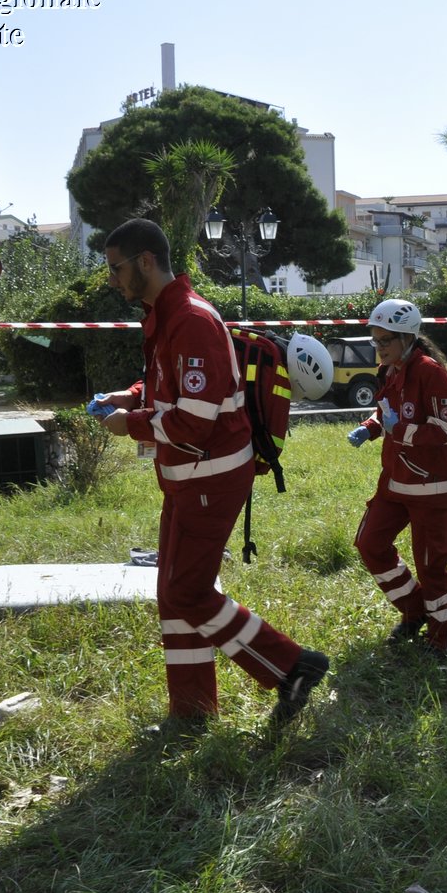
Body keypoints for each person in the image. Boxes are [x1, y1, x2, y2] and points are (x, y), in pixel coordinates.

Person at [93, 218, 329, 728]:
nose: (112, 280)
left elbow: (195, 422)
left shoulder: (191, 319)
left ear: (146, 262)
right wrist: (131, 396)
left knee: (188, 593)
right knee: (172, 592)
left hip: (210, 478)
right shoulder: (166, 314)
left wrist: (130, 424)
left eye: (116, 268)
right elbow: (169, 387)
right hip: (188, 479)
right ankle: (192, 712)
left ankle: (293, 666)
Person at [346, 299, 447, 652]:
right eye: (375, 340)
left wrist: (403, 431)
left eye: (384, 341)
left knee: (432, 565)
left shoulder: (429, 371)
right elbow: (386, 411)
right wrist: (371, 427)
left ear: (406, 338)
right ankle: (414, 610)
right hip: (395, 481)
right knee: (369, 544)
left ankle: (444, 636)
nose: (378, 348)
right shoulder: (391, 370)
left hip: (430, 486)